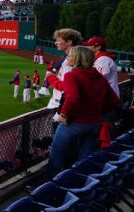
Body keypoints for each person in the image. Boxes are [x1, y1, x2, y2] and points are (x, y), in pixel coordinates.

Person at [46, 46, 119, 178]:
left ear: (78, 58)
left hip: (74, 122)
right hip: (94, 123)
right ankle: (79, 183)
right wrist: (98, 112)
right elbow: (113, 100)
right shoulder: (100, 78)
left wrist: (64, 114)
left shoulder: (71, 75)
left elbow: (72, 98)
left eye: (70, 56)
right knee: (84, 158)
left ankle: (50, 187)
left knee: (56, 154)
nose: (68, 58)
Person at [83, 36, 120, 147]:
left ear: (97, 47)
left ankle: (105, 154)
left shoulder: (103, 59)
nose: (88, 48)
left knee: (104, 130)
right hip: (107, 99)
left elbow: (97, 78)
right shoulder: (102, 58)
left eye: (90, 45)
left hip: (108, 100)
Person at [46, 29, 83, 122]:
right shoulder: (75, 57)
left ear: (69, 42)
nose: (56, 43)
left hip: (60, 105)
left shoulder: (71, 61)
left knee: (58, 134)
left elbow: (65, 86)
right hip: (63, 104)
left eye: (58, 40)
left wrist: (50, 77)